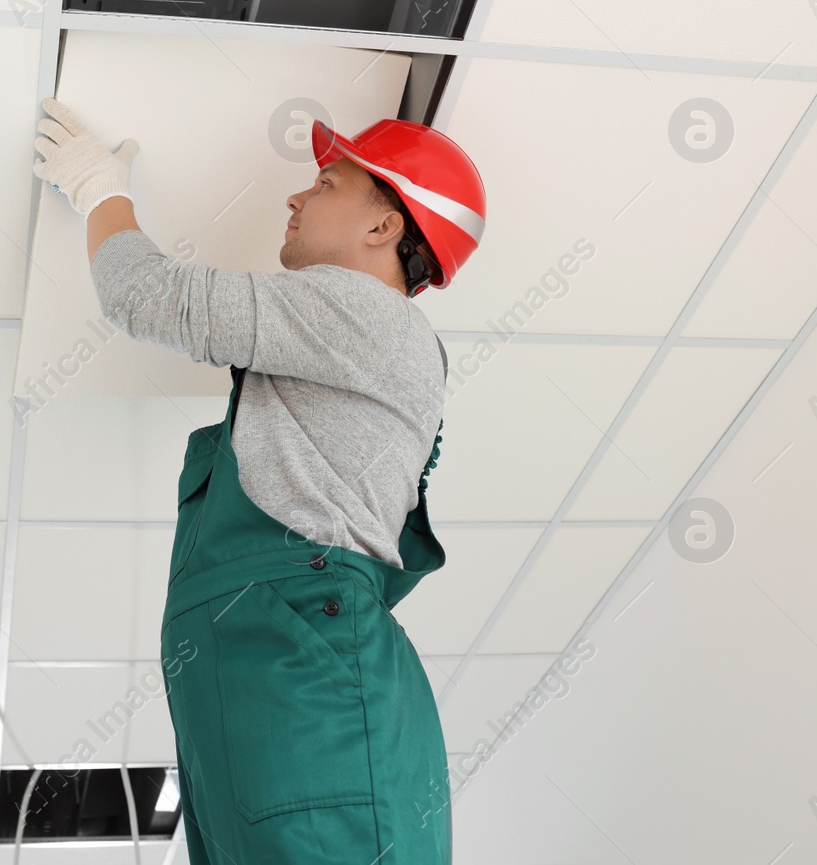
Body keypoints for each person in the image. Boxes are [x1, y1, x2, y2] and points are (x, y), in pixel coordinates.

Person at [32, 97, 486, 864]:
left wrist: (98, 188)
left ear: (385, 228)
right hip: (282, 675)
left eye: (330, 184)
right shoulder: (354, 341)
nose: (296, 195)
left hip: (302, 673)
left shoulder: (370, 316)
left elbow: (145, 295)